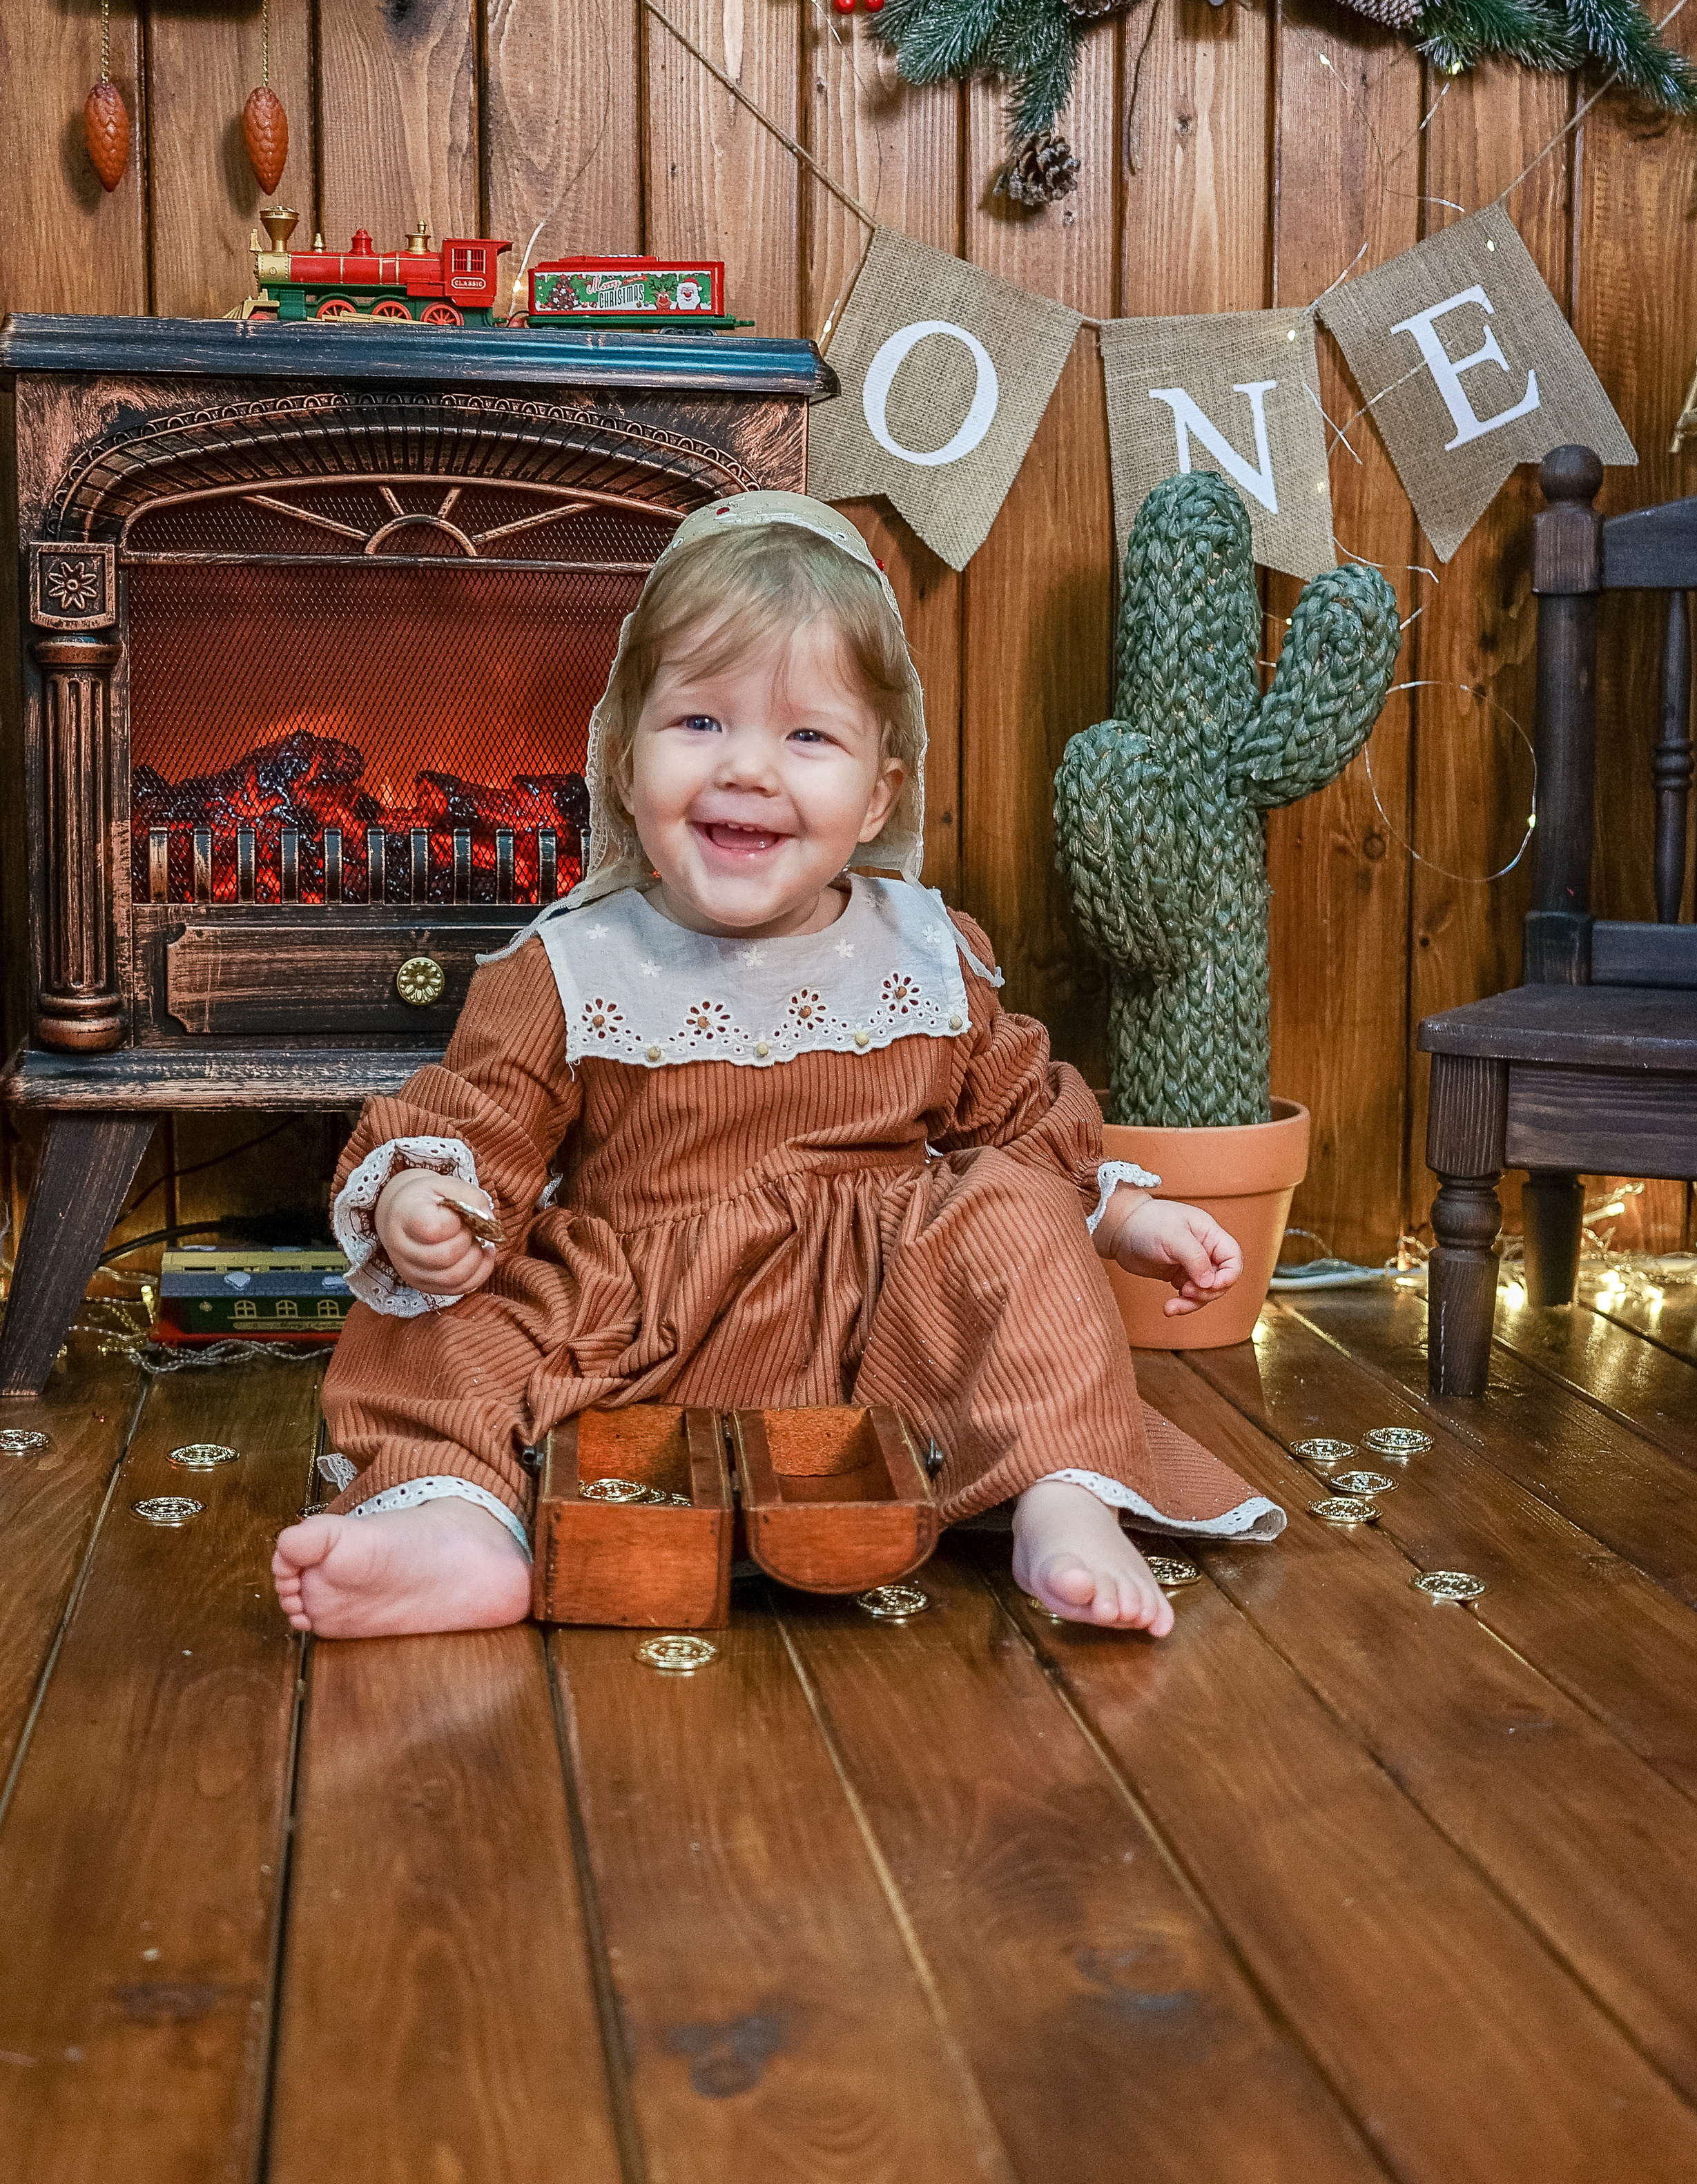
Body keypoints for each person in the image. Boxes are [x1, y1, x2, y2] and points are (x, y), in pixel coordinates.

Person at [272, 493, 1284, 1642]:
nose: (749, 769)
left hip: (879, 1336)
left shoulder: (925, 953)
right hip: (633, 1333)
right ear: (622, 757)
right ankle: (459, 1525)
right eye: (699, 723)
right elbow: (479, 1120)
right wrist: (425, 1201)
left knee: (1010, 1210)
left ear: (878, 795)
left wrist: (1121, 1219)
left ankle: (1061, 1493)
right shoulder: (574, 964)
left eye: (809, 738)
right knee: (433, 1315)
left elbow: (1013, 1122)